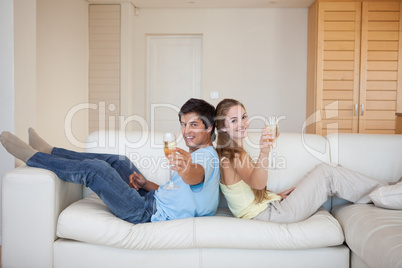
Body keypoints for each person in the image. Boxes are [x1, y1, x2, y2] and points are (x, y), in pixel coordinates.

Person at [0, 98, 220, 224]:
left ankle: (33, 157)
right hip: (152, 198)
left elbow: (194, 176)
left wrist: (186, 168)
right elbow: (178, 193)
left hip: (144, 212)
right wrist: (145, 184)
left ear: (209, 127)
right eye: (183, 124)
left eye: (193, 125)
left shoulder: (206, 158)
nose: (186, 131)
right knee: (119, 161)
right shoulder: (193, 153)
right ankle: (51, 151)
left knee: (96, 170)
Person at [215, 98, 387, 223]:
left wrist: (275, 196)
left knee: (325, 171)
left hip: (270, 208)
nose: (242, 123)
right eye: (234, 120)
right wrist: (264, 151)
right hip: (269, 215)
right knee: (327, 173)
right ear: (222, 127)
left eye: (244, 117)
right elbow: (258, 184)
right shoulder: (233, 156)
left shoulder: (231, 153)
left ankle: (385, 190)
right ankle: (387, 192)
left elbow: (247, 193)